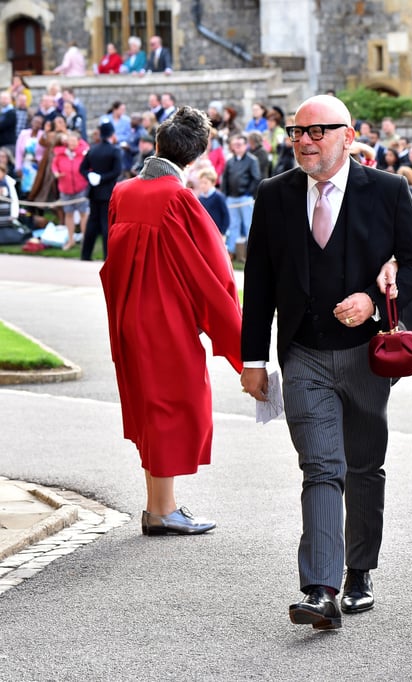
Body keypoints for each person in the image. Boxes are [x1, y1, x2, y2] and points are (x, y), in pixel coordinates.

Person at [241, 94, 412, 630]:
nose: (304, 140)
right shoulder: (272, 194)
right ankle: (320, 589)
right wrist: (253, 358)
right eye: (297, 132)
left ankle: (359, 569)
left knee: (364, 466)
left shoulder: (389, 191)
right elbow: (257, 285)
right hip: (302, 354)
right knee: (321, 467)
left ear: (349, 136)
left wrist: (373, 301)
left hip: (367, 357)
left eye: (318, 131)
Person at [100, 106, 243, 536]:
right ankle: (163, 511)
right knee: (173, 406)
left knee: (151, 405)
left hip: (128, 316)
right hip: (163, 321)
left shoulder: (123, 192)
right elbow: (212, 270)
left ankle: (158, 505)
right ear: (197, 156)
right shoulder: (179, 198)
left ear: (157, 145)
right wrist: (236, 333)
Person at [78, 122, 122, 261]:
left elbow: (82, 168)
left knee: (92, 224)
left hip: (94, 191)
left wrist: (91, 176)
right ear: (112, 134)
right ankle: (107, 256)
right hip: (108, 191)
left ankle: (86, 255)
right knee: (106, 225)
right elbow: (116, 171)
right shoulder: (115, 150)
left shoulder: (93, 149)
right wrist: (102, 178)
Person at [221, 133, 261, 259]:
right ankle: (232, 251)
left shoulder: (252, 160)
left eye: (239, 144)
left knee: (248, 225)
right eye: (235, 144)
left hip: (245, 198)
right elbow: (225, 179)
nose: (237, 147)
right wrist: (225, 195)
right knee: (233, 225)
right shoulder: (230, 161)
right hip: (231, 198)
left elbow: (256, 178)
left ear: (245, 145)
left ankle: (251, 252)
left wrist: (249, 193)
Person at [51, 130, 90, 250]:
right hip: (65, 188)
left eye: (74, 141)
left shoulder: (84, 154)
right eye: (70, 141)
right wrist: (56, 173)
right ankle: (71, 240)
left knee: (84, 213)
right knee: (69, 214)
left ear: (79, 142)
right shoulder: (60, 154)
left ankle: (85, 239)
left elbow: (90, 167)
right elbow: (54, 166)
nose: (72, 143)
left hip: (81, 188)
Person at [195, 167, 229, 237]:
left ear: (213, 183)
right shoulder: (200, 199)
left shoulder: (219, 197)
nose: (202, 185)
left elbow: (226, 216)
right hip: (206, 233)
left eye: (205, 183)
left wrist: (223, 233)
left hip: (218, 232)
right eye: (201, 183)